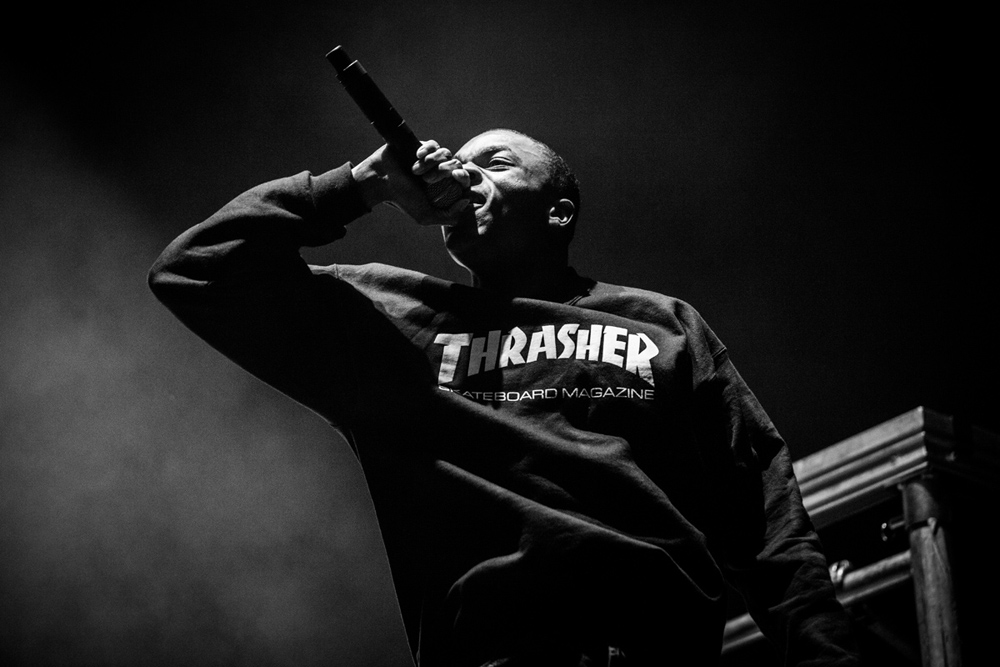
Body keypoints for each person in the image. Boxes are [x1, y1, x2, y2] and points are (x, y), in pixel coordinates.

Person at [149, 128, 860, 666]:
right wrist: (362, 183)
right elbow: (195, 272)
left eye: (491, 163)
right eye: (457, 160)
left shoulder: (662, 324)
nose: (460, 170)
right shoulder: (391, 321)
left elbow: (765, 521)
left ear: (557, 211)